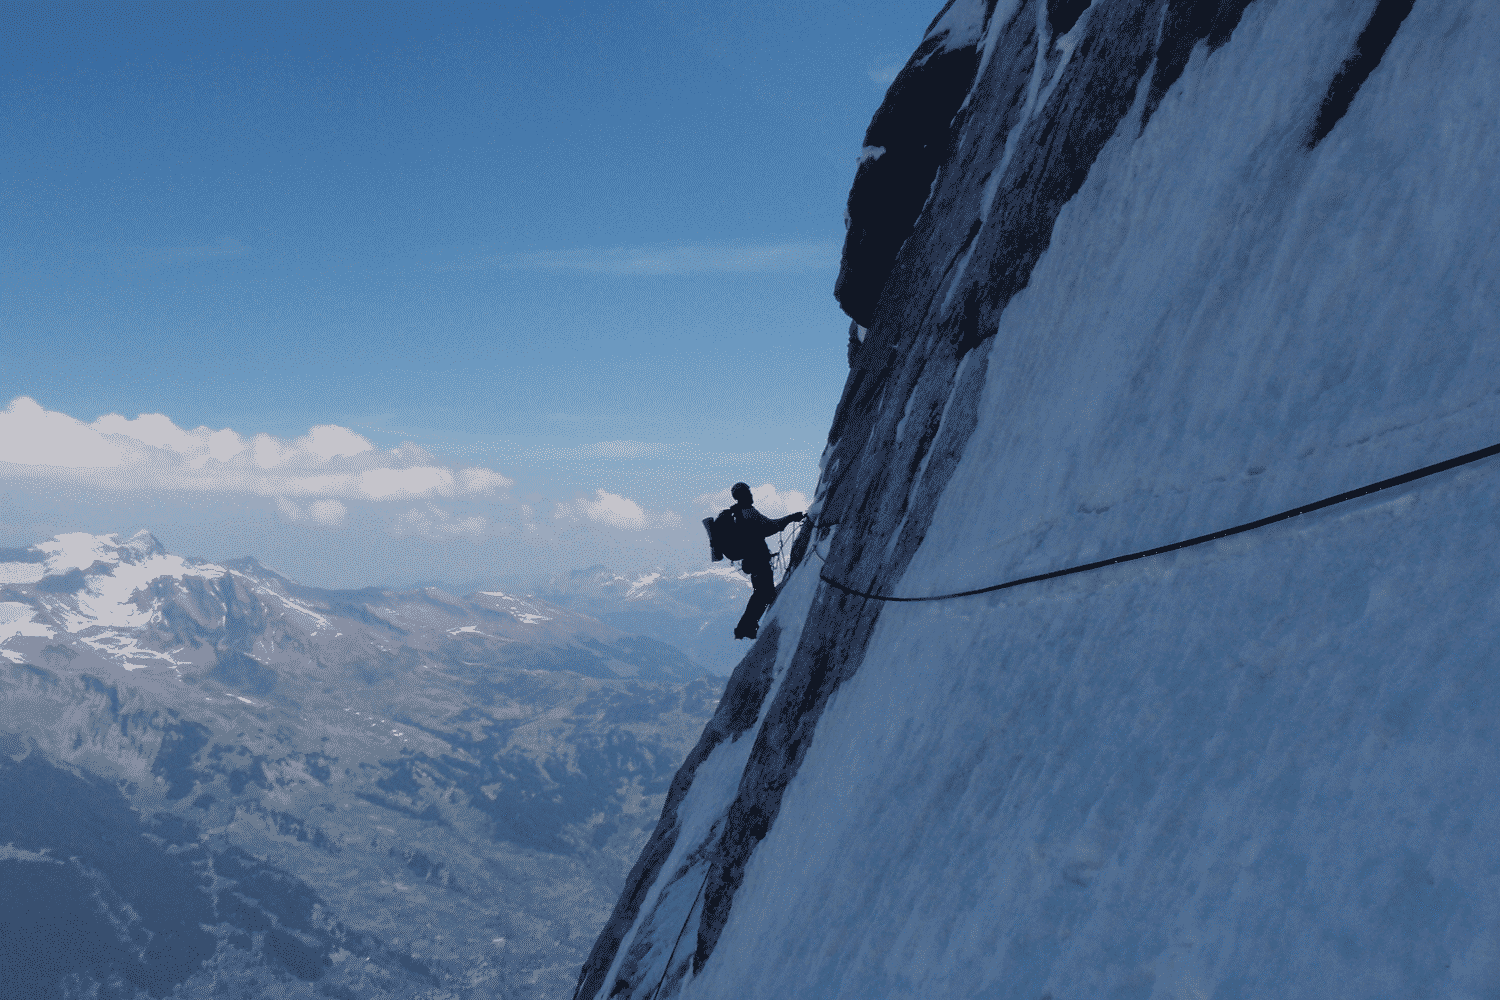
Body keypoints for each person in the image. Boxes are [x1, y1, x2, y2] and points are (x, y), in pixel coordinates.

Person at [727, 482, 805, 640]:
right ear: (743, 495)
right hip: (758, 560)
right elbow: (769, 526)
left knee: (762, 593)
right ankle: (745, 628)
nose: (751, 495)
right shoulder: (748, 513)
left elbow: (766, 527)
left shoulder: (739, 514)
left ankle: (747, 627)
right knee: (764, 593)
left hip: (753, 560)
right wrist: (790, 518)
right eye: (748, 493)